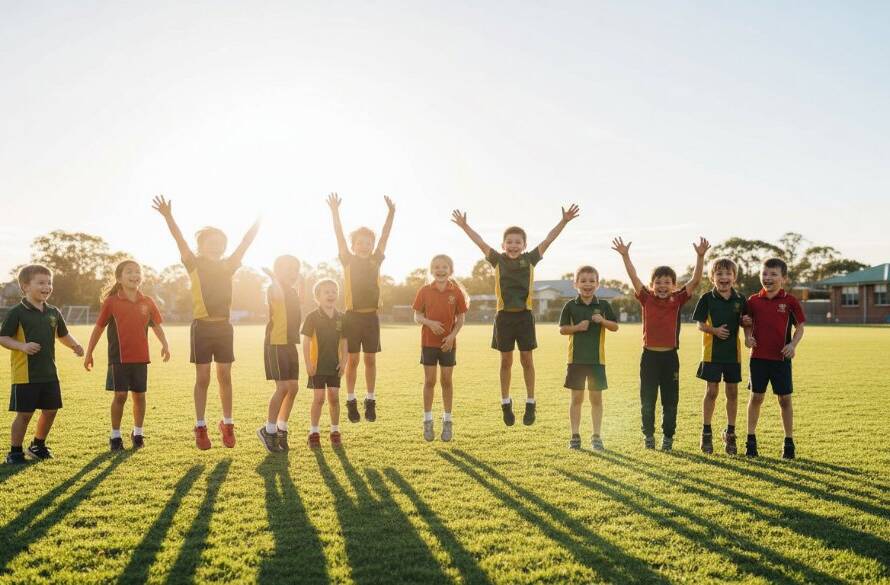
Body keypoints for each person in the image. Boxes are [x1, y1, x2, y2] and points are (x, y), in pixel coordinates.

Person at [451, 204, 580, 427]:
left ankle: (531, 402)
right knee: (505, 361)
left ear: (524, 245)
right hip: (504, 318)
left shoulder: (530, 259)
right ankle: (505, 403)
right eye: (509, 242)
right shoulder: (497, 260)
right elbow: (480, 242)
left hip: (524, 317)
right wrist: (464, 226)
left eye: (517, 242)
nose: (513, 245)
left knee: (527, 360)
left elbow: (549, 239)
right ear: (503, 245)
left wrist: (564, 221)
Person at [152, 194, 260, 449]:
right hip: (202, 327)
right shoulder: (194, 263)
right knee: (203, 378)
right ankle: (200, 426)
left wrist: (259, 220)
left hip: (223, 327)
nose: (217, 246)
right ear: (201, 246)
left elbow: (245, 243)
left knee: (224, 375)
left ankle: (228, 423)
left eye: (221, 243)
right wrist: (169, 217)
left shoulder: (229, 264)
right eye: (211, 242)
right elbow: (179, 241)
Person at [612, 236, 709, 450]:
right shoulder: (646, 298)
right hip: (649, 357)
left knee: (670, 400)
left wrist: (700, 257)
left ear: (674, 286)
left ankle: (668, 437)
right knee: (647, 400)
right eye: (658, 282)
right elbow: (633, 276)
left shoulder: (678, 299)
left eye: (667, 282)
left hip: (670, 358)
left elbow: (694, 281)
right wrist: (626, 256)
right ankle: (648, 436)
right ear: (651, 285)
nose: (663, 286)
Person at [1, 265, 84, 464]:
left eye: (49, 283)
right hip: (26, 374)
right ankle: (15, 452)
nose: (47, 286)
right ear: (25, 286)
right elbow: (3, 338)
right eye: (41, 283)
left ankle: (38, 445)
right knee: (25, 414)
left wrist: (75, 345)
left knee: (51, 410)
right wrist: (22, 346)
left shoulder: (53, 312)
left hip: (49, 373)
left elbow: (62, 334)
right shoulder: (17, 312)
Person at [84, 260, 170, 451]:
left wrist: (165, 344)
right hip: (119, 358)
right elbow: (98, 328)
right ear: (119, 278)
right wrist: (89, 353)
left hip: (141, 358)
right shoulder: (112, 302)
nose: (134, 275)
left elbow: (156, 326)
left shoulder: (147, 301)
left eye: (137, 271)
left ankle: (138, 433)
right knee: (120, 395)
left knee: (139, 396)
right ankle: (115, 436)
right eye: (129, 272)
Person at [326, 193, 395, 423]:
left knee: (370, 360)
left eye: (368, 243)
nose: (364, 246)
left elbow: (385, 235)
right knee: (352, 360)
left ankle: (371, 400)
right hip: (352, 318)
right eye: (360, 243)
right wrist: (335, 211)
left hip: (371, 318)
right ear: (354, 246)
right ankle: (351, 400)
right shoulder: (347, 259)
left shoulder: (376, 260)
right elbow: (338, 234)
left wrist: (391, 213)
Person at [743, 258, 805, 459]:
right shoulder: (752, 300)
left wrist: (792, 345)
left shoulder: (790, 302)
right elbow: (747, 323)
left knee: (784, 400)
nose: (767, 278)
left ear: (783, 278)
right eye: (765, 274)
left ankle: (788, 442)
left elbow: (800, 328)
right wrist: (747, 336)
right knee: (756, 397)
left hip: (781, 360)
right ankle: (750, 441)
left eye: (773, 274)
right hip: (758, 358)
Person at [559, 265, 618, 451]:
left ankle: (596, 436)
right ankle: (575, 435)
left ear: (598, 284)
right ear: (575, 283)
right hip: (575, 360)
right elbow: (562, 329)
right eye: (583, 281)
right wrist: (577, 328)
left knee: (596, 399)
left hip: (596, 361)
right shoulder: (570, 305)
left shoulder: (604, 305)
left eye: (592, 281)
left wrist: (603, 321)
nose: (587, 284)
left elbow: (615, 327)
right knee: (576, 398)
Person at [691, 258, 746, 455]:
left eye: (728, 274)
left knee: (732, 393)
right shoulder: (706, 298)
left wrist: (746, 325)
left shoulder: (740, 299)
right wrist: (713, 330)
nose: (724, 278)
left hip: (733, 355)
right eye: (719, 274)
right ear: (712, 277)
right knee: (712, 392)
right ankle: (706, 432)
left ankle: (730, 433)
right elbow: (699, 324)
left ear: (734, 277)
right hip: (711, 354)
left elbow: (745, 322)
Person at [412, 254, 468, 442]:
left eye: (444, 267)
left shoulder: (456, 292)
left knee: (446, 381)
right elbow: (417, 316)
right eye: (436, 267)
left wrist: (452, 336)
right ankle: (427, 420)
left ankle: (447, 421)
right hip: (428, 343)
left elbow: (460, 319)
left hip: (448, 344)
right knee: (429, 381)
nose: (440, 270)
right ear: (431, 270)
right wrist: (430, 323)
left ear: (450, 270)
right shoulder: (424, 291)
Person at [256, 256, 302, 453]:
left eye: (295, 269)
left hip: (290, 344)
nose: (292, 273)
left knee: (293, 388)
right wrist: (274, 277)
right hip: (275, 343)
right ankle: (269, 430)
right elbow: (278, 296)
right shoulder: (274, 288)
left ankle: (282, 429)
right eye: (287, 269)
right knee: (282, 387)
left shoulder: (292, 291)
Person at [302, 279, 348, 449]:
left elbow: (344, 342)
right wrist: (308, 363)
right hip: (317, 366)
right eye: (326, 292)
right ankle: (314, 433)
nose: (331, 295)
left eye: (334, 291)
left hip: (334, 366)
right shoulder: (312, 317)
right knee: (319, 399)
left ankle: (335, 432)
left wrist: (344, 362)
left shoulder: (341, 317)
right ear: (318, 297)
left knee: (334, 398)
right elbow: (306, 342)